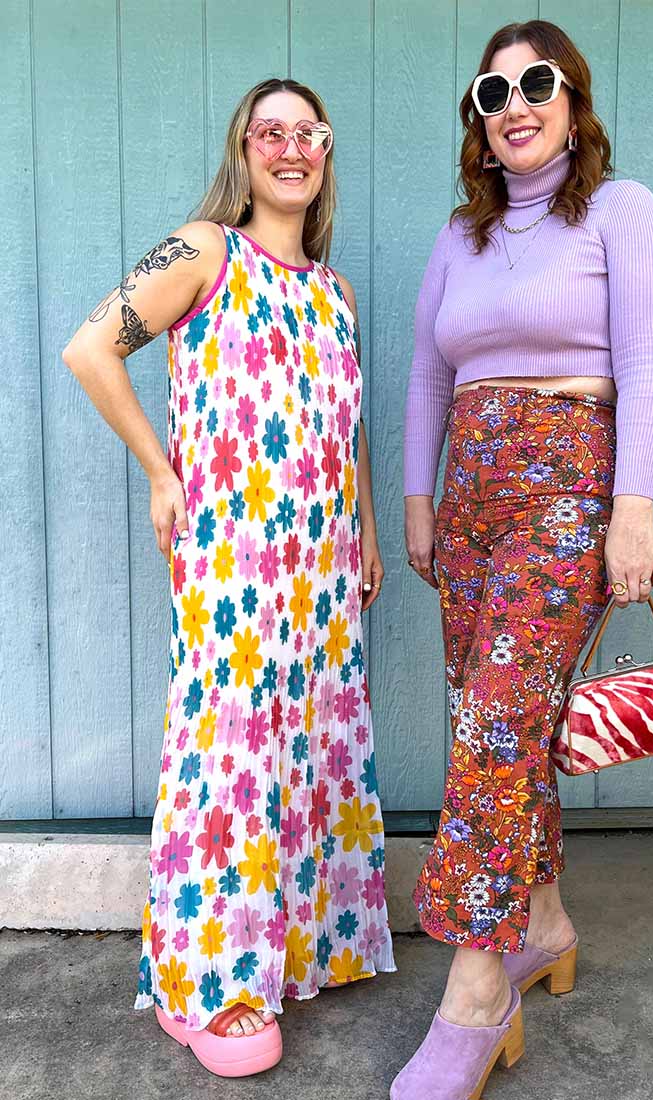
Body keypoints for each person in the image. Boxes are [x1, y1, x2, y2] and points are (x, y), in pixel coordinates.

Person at [63, 77, 395, 1078]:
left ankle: (297, 945)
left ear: (326, 153)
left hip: (325, 562)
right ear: (243, 150)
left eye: (310, 132)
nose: (291, 147)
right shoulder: (205, 249)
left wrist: (368, 529)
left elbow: (350, 424)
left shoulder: (330, 291)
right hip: (236, 561)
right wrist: (161, 471)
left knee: (312, 742)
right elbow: (92, 350)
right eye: (270, 131)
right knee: (232, 754)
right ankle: (209, 980)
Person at [395, 19, 653, 1100]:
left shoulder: (620, 211)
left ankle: (478, 989)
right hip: (466, 494)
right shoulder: (456, 237)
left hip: (567, 483)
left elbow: (646, 367)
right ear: (477, 116)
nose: (514, 104)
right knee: (496, 718)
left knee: (493, 724)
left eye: (536, 82)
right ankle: (543, 920)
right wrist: (417, 501)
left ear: (571, 100)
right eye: (492, 90)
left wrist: (631, 511)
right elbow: (427, 378)